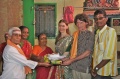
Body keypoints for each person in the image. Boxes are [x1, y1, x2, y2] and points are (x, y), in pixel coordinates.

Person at [62, 13, 94, 79]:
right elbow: (74, 51)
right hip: (74, 67)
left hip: (83, 67)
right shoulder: (75, 34)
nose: (79, 25)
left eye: (81, 23)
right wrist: (67, 58)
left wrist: (71, 60)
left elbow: (87, 53)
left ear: (86, 23)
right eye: (77, 23)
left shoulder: (90, 35)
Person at [91, 9, 118, 79]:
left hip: (105, 72)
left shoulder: (111, 32)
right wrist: (93, 68)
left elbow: (109, 55)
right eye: (96, 19)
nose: (98, 21)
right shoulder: (97, 33)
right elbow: (95, 54)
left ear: (106, 19)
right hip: (96, 71)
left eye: (100, 18)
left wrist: (96, 68)